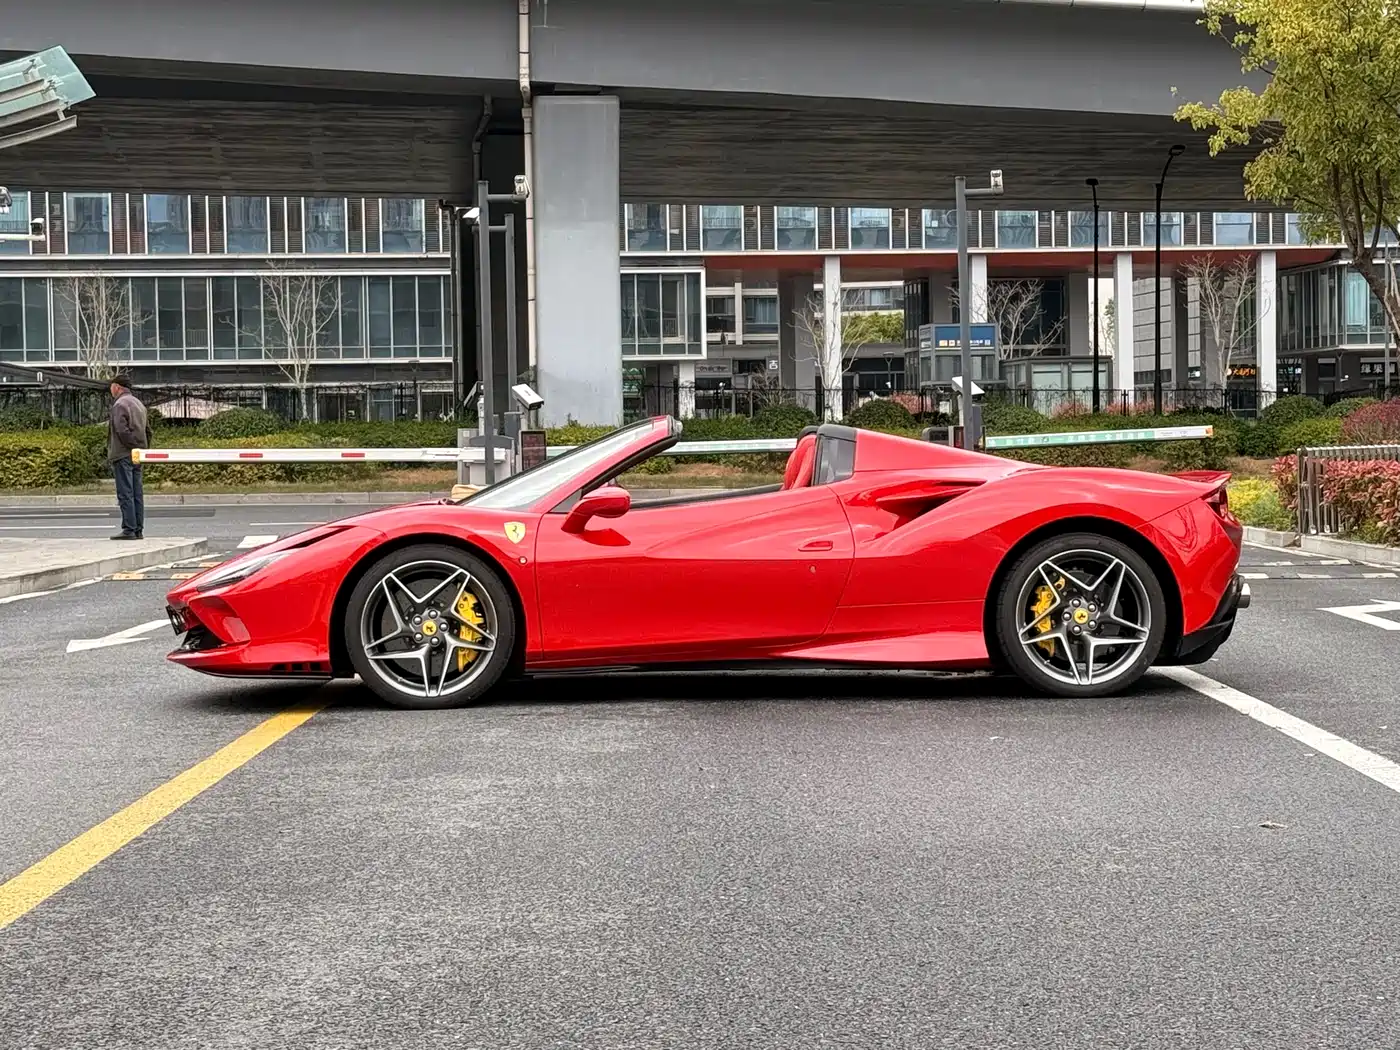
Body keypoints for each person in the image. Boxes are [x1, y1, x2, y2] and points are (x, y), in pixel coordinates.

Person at [107, 373, 152, 540]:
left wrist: (131, 446)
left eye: (111, 386)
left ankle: (129, 529)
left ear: (117, 387)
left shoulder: (120, 404)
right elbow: (148, 431)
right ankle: (138, 529)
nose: (110, 389)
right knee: (137, 493)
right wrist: (142, 449)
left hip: (123, 454)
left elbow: (121, 430)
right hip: (138, 455)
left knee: (125, 492)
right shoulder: (139, 404)